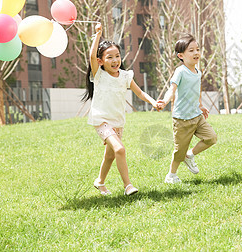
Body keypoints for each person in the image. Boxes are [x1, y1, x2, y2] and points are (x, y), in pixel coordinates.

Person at [83, 22, 161, 196]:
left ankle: (100, 182)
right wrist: (98, 34)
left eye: (117, 56)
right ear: (100, 61)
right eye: (109, 57)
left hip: (118, 121)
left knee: (110, 156)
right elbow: (90, 56)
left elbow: (140, 93)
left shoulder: (125, 76)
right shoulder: (99, 75)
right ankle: (128, 186)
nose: (115, 60)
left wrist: (154, 102)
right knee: (120, 149)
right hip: (101, 120)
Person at [157, 34, 217, 184]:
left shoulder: (198, 72)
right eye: (191, 50)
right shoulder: (180, 71)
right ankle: (171, 176)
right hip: (182, 119)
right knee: (179, 151)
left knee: (211, 138)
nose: (196, 53)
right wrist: (164, 101)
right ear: (181, 55)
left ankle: (190, 155)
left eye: (197, 49)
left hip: (196, 116)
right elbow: (172, 89)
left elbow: (196, 92)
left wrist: (200, 105)